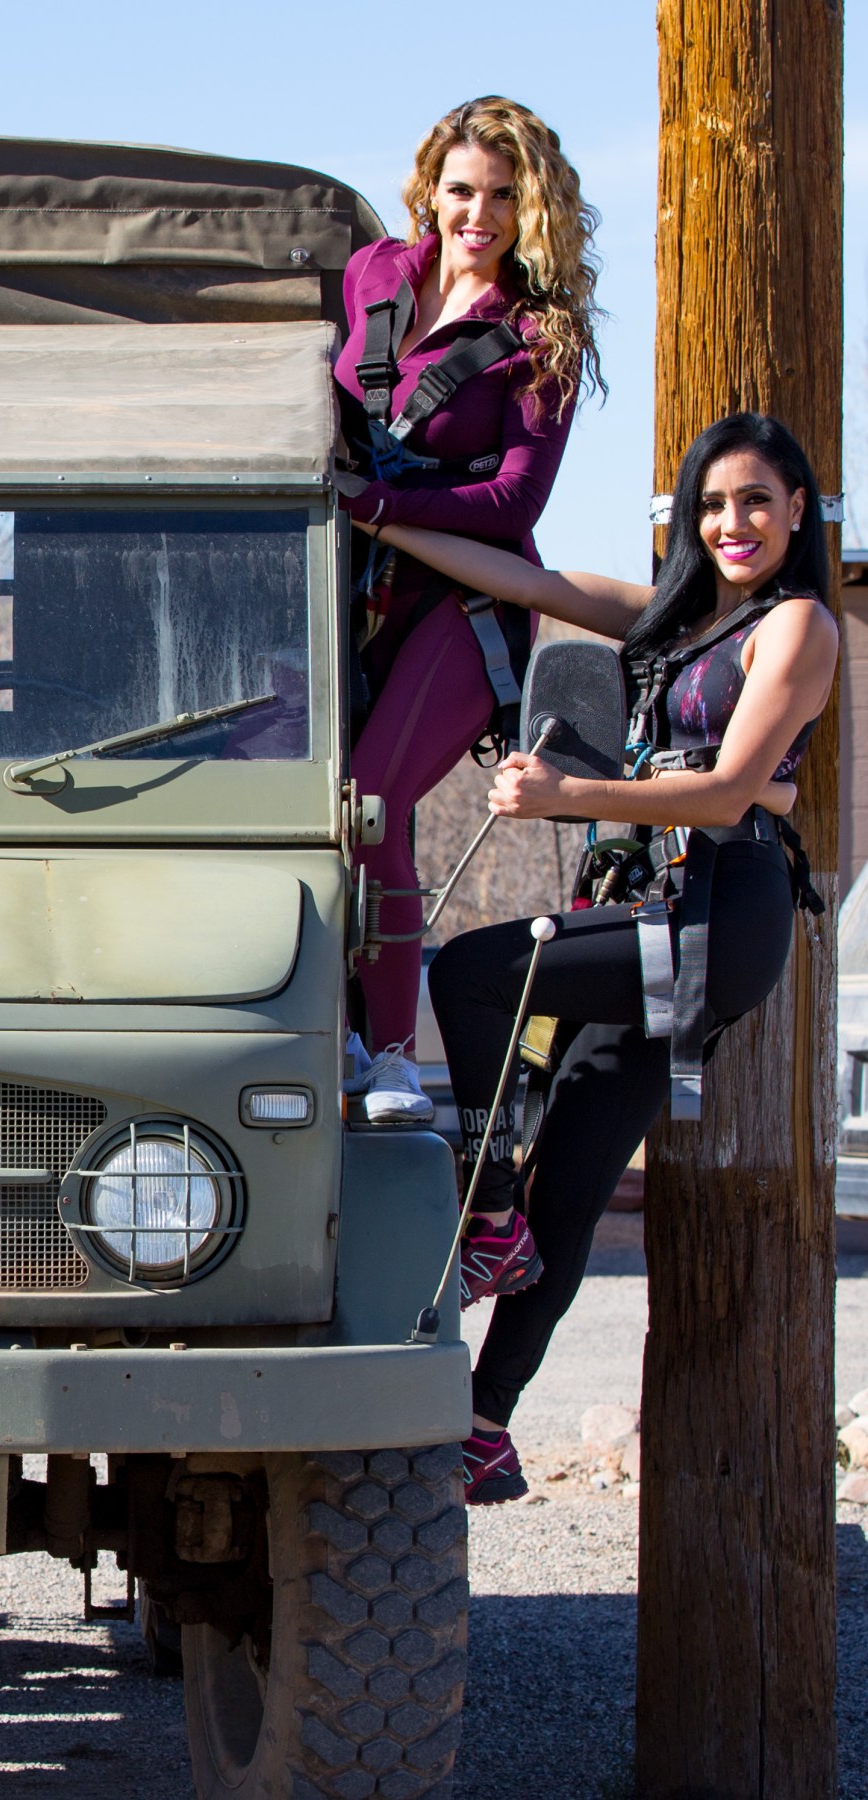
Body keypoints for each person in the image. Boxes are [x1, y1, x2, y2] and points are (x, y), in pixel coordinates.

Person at [373, 412, 836, 1503]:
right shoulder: (678, 624)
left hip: (719, 911)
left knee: (474, 972)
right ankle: (486, 1420)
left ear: (799, 510)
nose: (733, 523)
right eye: (712, 505)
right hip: (658, 904)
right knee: (574, 1183)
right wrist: (383, 520)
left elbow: (729, 792)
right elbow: (532, 582)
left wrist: (570, 795)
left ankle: (485, 1217)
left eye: (757, 501)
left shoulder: (799, 626)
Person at [335, 97, 602, 1125]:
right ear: (429, 190)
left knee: (375, 795)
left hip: (465, 597)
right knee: (298, 797)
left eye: (501, 195)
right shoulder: (373, 279)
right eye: (461, 190)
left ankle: (395, 1058)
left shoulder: (540, 336)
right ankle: (338, 1031)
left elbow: (513, 502)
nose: (477, 214)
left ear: (531, 208)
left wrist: (382, 505)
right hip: (349, 588)